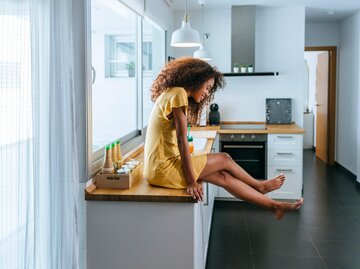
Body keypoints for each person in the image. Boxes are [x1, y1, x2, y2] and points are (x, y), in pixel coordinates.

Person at [143, 57, 303, 220]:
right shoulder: (178, 94)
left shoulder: (172, 92)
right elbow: (182, 141)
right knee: (224, 159)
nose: (206, 93)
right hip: (164, 168)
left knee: (223, 177)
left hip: (156, 169)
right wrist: (192, 182)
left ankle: (274, 206)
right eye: (207, 87)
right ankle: (259, 185)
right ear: (196, 79)